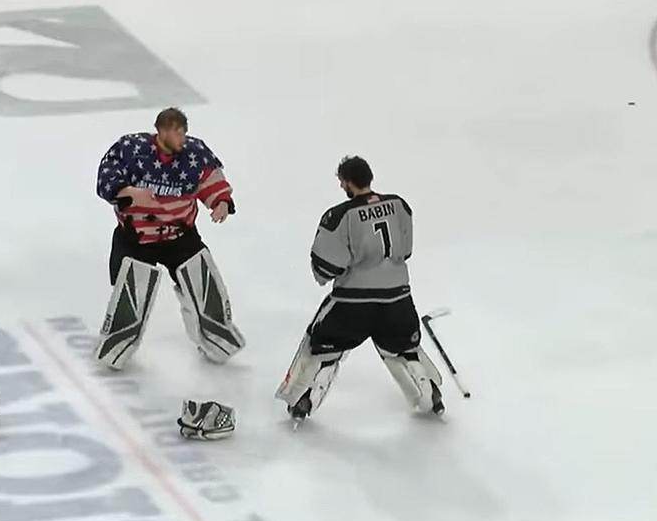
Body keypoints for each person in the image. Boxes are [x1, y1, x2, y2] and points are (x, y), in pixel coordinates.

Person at [275, 156, 445, 424]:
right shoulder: (399, 205)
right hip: (398, 299)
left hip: (353, 304)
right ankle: (429, 392)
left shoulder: (340, 216)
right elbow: (406, 250)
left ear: (347, 182)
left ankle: (302, 399)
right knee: (402, 347)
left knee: (320, 346)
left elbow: (324, 268)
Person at [93, 107, 245, 371]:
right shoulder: (131, 149)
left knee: (202, 282)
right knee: (131, 292)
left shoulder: (195, 153)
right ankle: (118, 343)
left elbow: (211, 179)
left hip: (179, 235)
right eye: (175, 131)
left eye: (183, 131)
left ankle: (216, 337)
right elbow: (106, 180)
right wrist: (128, 192)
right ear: (161, 130)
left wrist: (220, 201)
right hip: (136, 238)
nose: (181, 137)